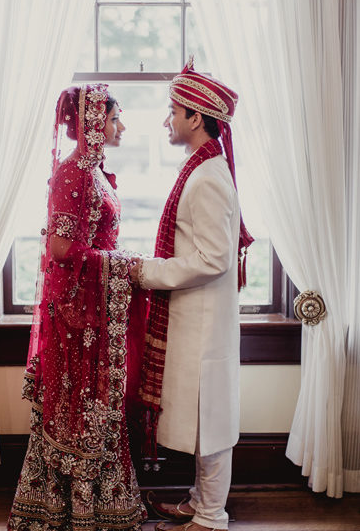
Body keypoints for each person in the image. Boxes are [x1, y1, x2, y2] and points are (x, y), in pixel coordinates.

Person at [8, 84, 147, 531]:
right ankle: (70, 508)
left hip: (94, 311)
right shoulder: (73, 174)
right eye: (114, 118)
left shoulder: (95, 172)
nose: (121, 126)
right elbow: (61, 248)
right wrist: (121, 263)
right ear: (92, 122)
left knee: (98, 405)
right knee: (79, 408)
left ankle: (104, 504)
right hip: (76, 315)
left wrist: (116, 262)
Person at [130, 59, 253, 531]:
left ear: (195, 117)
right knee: (204, 420)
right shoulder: (205, 170)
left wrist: (146, 272)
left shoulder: (208, 177)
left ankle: (210, 516)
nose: (167, 120)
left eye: (172, 111)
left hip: (204, 324)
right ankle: (200, 502)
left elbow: (214, 259)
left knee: (211, 423)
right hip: (197, 319)